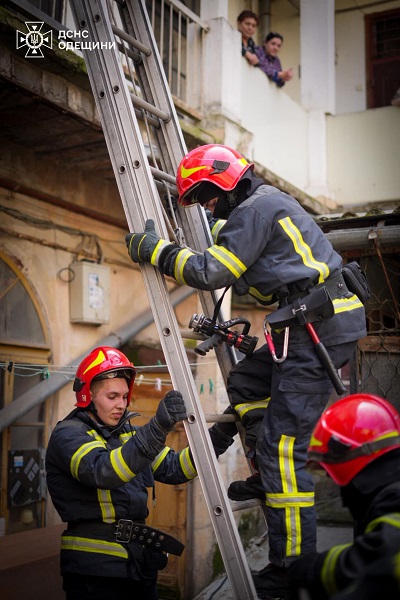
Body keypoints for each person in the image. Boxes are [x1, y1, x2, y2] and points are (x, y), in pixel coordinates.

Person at [124, 143, 367, 600]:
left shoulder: (255, 210)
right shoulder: (260, 206)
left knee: (284, 446)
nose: (208, 207)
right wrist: (207, 228)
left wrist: (155, 250)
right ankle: (266, 469)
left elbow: (210, 271)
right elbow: (238, 250)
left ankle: (291, 569)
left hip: (319, 326)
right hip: (309, 321)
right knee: (245, 381)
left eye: (207, 197)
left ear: (223, 183)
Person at [45, 346, 233, 600]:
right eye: (112, 397)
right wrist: (157, 427)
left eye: (124, 396)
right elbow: (104, 471)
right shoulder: (68, 435)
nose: (121, 405)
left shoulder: (126, 435)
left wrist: (221, 434)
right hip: (96, 570)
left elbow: (177, 468)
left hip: (137, 563)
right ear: (88, 395)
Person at [287, 393, 400, 600]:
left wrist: (313, 570)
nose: (340, 489)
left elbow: (379, 559)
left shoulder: (395, 499)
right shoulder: (389, 490)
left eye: (332, 472)